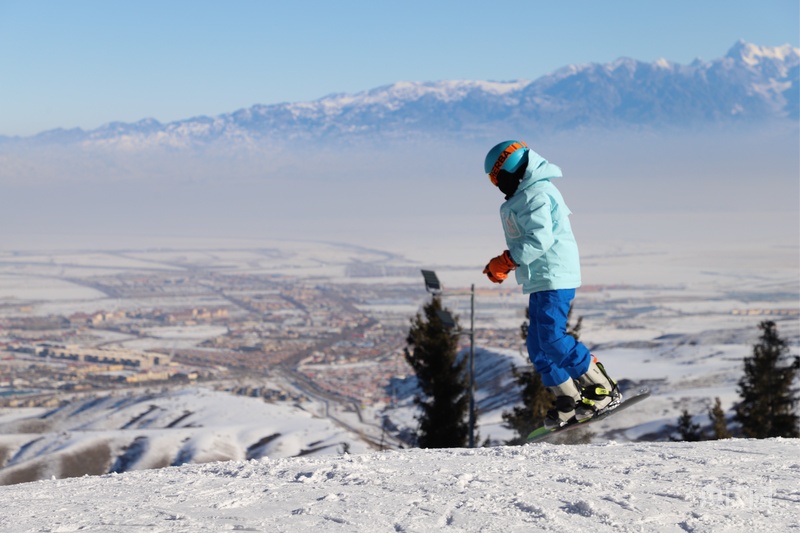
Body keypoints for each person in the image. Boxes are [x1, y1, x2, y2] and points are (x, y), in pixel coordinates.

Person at [482, 140, 621, 429]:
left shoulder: (537, 194)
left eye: (498, 179)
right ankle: (567, 400)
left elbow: (540, 240)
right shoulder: (525, 194)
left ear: (510, 171)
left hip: (554, 277)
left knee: (553, 340)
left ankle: (602, 388)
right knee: (538, 347)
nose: (497, 186)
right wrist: (507, 263)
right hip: (540, 279)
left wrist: (506, 261)